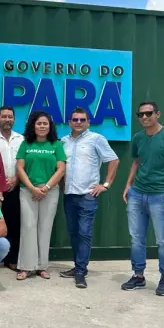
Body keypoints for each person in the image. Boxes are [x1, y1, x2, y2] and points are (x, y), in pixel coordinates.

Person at [122, 101, 164, 296]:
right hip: (137, 194)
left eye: (148, 113)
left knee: (163, 241)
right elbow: (137, 162)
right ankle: (138, 276)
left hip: (160, 197)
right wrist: (128, 185)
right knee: (136, 238)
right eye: (141, 114)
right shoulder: (138, 138)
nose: (144, 117)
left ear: (157, 114)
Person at [60, 107, 119, 288]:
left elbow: (114, 160)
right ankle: (78, 266)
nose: (78, 122)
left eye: (82, 120)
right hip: (69, 194)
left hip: (88, 195)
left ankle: (80, 271)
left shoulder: (96, 139)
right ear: (69, 122)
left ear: (88, 122)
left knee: (84, 232)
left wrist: (105, 185)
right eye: (75, 119)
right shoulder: (63, 141)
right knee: (73, 232)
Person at [15, 111, 66, 281]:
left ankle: (42, 266)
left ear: (50, 126)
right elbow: (20, 168)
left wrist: (46, 187)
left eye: (45, 123)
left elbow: (61, 169)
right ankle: (26, 266)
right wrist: (32, 188)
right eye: (39, 123)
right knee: (28, 227)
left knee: (45, 228)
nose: (42, 126)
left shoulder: (56, 145)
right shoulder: (26, 144)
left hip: (49, 193)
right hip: (27, 191)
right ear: (33, 125)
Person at [0, 106, 24, 271]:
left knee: (14, 223)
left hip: (15, 187)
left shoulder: (21, 139)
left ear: (14, 119)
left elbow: (25, 163)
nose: (7, 119)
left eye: (10, 117)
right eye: (3, 116)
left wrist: (16, 179)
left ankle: (12, 259)